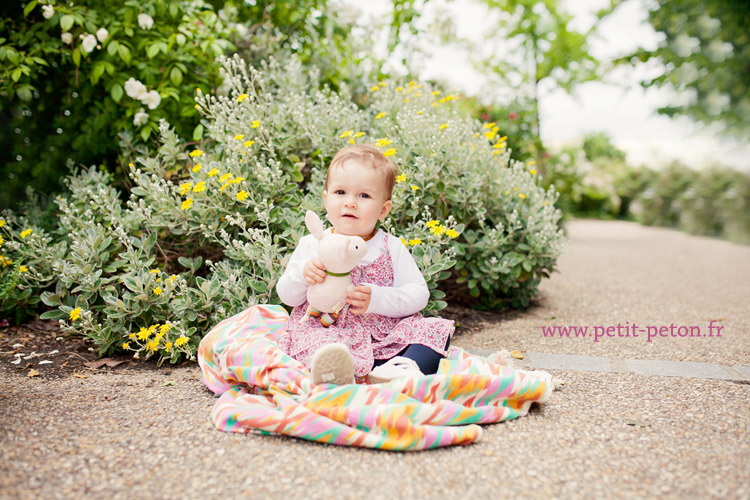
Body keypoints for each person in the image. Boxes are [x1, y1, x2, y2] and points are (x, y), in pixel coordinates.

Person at [276, 144, 454, 385]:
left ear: (383, 209)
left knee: (432, 329)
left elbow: (419, 294)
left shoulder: (390, 246)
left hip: (385, 337)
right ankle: (340, 374)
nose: (350, 203)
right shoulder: (312, 244)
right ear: (326, 199)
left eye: (364, 195)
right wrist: (303, 274)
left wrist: (378, 299)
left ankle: (403, 369)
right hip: (329, 331)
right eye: (341, 192)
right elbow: (287, 296)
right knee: (321, 346)